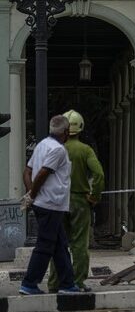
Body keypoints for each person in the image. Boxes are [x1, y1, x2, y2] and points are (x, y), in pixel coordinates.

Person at [19, 115, 80, 295]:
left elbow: (27, 171)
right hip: (51, 203)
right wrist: (33, 194)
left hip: (45, 204)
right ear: (66, 132)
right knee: (45, 245)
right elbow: (43, 173)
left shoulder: (42, 145)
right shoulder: (58, 150)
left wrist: (31, 194)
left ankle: (67, 283)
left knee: (60, 244)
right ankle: (29, 283)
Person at [47, 110, 105, 293]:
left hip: (57, 201)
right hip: (80, 201)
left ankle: (54, 283)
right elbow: (99, 174)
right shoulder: (85, 150)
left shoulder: (55, 149)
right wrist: (95, 196)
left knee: (58, 244)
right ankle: (78, 282)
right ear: (80, 128)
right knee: (79, 243)